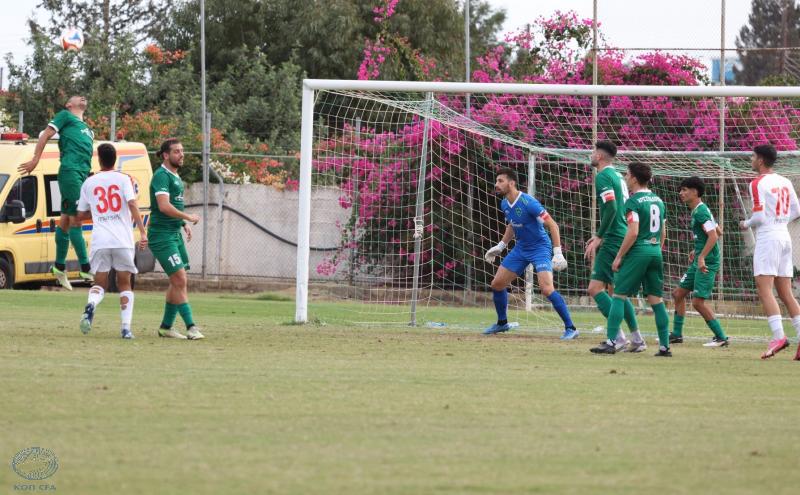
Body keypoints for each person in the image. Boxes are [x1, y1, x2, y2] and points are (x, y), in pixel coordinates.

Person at [590, 162, 672, 357]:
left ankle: (612, 341)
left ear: (634, 178)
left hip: (638, 252)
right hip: (655, 252)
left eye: (627, 175)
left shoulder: (633, 202)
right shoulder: (658, 200)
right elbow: (663, 232)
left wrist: (620, 256)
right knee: (656, 300)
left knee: (618, 294)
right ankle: (664, 347)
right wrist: (656, 250)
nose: (625, 178)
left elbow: (633, 232)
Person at [483, 167, 576, 338]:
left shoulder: (528, 202)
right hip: (521, 248)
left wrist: (557, 252)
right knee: (497, 285)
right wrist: (501, 246)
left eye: (500, 181)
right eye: (496, 181)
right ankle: (502, 324)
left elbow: (553, 225)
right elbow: (512, 224)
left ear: (511, 183)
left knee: (547, 289)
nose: (496, 184)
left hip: (540, 247)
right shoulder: (504, 203)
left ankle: (571, 328)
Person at [18, 95, 94, 289]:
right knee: (77, 217)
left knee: (66, 220)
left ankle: (59, 267)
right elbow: (45, 134)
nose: (83, 97)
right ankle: (86, 267)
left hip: (82, 174)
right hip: (70, 172)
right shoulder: (65, 116)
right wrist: (35, 159)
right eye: (77, 97)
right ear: (69, 104)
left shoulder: (87, 128)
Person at [76, 143, 147, 339]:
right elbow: (132, 203)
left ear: (98, 159)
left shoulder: (89, 183)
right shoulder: (124, 179)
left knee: (99, 283)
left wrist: (99, 211)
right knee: (125, 284)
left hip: (100, 240)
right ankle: (125, 328)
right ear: (115, 159)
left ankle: (91, 305)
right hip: (122, 240)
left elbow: (80, 214)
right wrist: (142, 232)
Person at [739, 144, 800, 360]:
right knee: (785, 292)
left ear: (761, 160)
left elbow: (760, 217)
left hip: (768, 237)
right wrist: (781, 220)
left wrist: (746, 223)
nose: (751, 160)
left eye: (753, 156)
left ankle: (779, 337)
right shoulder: (784, 181)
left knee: (764, 288)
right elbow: (797, 210)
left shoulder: (757, 183)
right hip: (784, 236)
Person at [584, 141, 645, 352]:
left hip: (612, 236)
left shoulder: (603, 176)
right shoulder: (618, 176)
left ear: (599, 157)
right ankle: (637, 340)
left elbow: (610, 207)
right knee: (618, 292)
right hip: (622, 233)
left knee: (595, 288)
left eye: (593, 152)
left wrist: (599, 236)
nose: (590, 155)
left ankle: (617, 337)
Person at [149, 138, 203, 340]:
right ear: (165, 155)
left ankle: (166, 327)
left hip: (174, 233)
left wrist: (182, 224)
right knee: (180, 278)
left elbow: (173, 207)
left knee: (177, 280)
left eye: (182, 151)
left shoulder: (175, 176)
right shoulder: (161, 176)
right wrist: (188, 217)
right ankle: (191, 326)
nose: (181, 155)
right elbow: (163, 206)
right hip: (162, 236)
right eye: (176, 152)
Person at [670, 176, 729, 347]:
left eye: (684, 190)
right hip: (700, 258)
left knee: (697, 302)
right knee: (678, 294)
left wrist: (702, 256)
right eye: (681, 190)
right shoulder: (699, 209)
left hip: (707, 262)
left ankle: (721, 338)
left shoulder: (701, 211)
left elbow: (713, 236)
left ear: (695, 192)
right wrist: (697, 250)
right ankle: (677, 334)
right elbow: (718, 231)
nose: (681, 193)